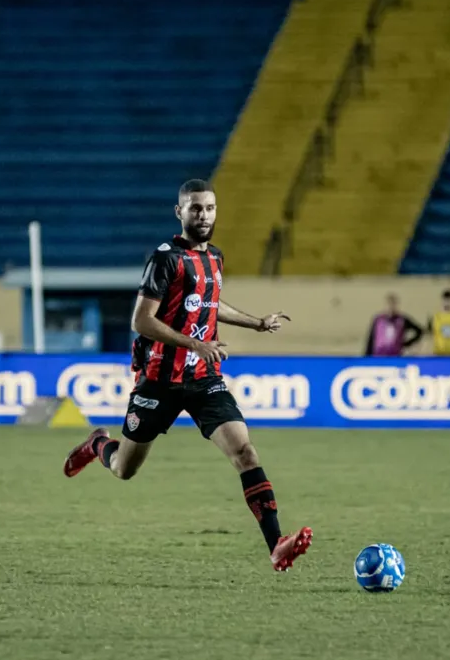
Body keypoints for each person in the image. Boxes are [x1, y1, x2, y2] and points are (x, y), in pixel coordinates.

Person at [63, 179, 313, 572]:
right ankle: (97, 444)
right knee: (124, 470)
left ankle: (276, 544)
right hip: (159, 380)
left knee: (245, 452)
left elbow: (211, 305)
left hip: (203, 379)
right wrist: (194, 344)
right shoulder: (164, 259)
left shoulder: (215, 257)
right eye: (195, 208)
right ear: (179, 212)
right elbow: (141, 320)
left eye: (210, 208)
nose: (204, 215)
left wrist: (257, 323)